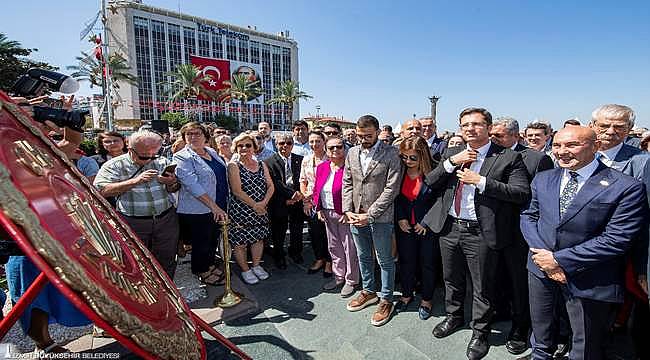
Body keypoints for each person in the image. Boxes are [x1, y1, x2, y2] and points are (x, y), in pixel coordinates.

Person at [521, 126, 647, 360]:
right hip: (540, 270)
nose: (562, 152)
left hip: (589, 276)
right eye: (557, 145)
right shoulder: (544, 178)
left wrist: (558, 260)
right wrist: (543, 257)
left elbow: (617, 239)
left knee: (585, 344)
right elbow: (529, 216)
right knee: (540, 332)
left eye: (571, 145)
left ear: (596, 147)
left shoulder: (626, 187)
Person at [422, 107, 530, 360]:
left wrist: (480, 181)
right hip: (449, 228)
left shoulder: (507, 157)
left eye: (476, 124)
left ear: (489, 128)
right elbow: (430, 182)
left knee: (482, 286)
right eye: (465, 125)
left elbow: (521, 192)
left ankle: (480, 332)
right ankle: (454, 317)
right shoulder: (451, 152)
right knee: (451, 279)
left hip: (480, 232)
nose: (470, 129)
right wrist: (451, 163)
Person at [589, 104, 650, 356]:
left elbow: (646, 216)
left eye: (619, 126)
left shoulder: (642, 162)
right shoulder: (577, 153)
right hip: (580, 248)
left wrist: (643, 266)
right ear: (592, 126)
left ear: (629, 130)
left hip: (622, 251)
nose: (610, 131)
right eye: (604, 125)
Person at [490, 116, 554, 355]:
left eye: (499, 136)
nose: (493, 139)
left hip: (520, 234)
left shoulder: (537, 159)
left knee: (519, 284)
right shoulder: (487, 155)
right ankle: (501, 311)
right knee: (498, 278)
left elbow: (542, 202)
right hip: (492, 230)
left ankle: (520, 328)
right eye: (492, 135)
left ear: (516, 136)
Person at [94, 130, 180, 277]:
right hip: (133, 222)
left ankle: (168, 293)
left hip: (165, 219)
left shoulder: (161, 162)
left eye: (155, 154)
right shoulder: (114, 165)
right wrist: (135, 181)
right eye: (144, 156)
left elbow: (175, 188)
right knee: (136, 261)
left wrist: (171, 183)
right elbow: (100, 190)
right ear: (130, 150)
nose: (150, 159)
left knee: (167, 259)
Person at [343, 115, 403, 327]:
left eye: (367, 136)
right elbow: (347, 181)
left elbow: (392, 188)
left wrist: (370, 214)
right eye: (360, 136)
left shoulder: (392, 153)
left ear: (377, 132)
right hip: (355, 216)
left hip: (381, 217)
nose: (363, 140)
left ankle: (386, 299)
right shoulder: (351, 152)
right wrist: (347, 210)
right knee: (363, 256)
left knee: (385, 260)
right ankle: (368, 291)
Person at [173, 122, 228, 286]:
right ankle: (202, 271)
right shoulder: (182, 157)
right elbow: (192, 184)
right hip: (198, 210)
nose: (193, 137)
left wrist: (219, 205)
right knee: (201, 243)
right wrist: (213, 206)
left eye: (197, 133)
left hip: (219, 204)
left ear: (206, 136)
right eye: (189, 134)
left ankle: (210, 264)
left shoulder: (211, 151)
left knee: (212, 239)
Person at [393, 136, 439, 320]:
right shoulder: (400, 170)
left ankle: (427, 300)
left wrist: (426, 222)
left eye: (413, 158)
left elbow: (441, 201)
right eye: (404, 157)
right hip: (405, 227)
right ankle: (406, 294)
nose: (408, 161)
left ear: (423, 156)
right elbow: (395, 197)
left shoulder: (435, 171)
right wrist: (401, 218)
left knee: (427, 263)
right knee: (406, 262)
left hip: (427, 228)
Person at [313, 136, 359, 297]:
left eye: (339, 146)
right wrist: (318, 209)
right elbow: (317, 190)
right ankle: (338, 276)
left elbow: (356, 192)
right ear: (325, 149)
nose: (335, 150)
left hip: (345, 214)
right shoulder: (322, 167)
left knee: (350, 248)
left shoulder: (351, 167)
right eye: (331, 147)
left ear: (344, 148)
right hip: (327, 213)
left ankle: (351, 280)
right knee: (334, 247)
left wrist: (349, 211)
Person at [227, 133, 274, 284]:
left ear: (254, 147)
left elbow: (270, 185)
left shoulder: (262, 164)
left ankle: (256, 266)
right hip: (242, 210)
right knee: (240, 243)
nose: (244, 148)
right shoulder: (233, 166)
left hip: (261, 209)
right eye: (240, 145)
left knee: (258, 239)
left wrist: (264, 203)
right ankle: (245, 270)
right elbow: (236, 190)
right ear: (235, 148)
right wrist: (256, 205)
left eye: (248, 145)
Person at [265, 133, 305, 269]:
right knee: (278, 231)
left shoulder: (300, 159)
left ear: (293, 145)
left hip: (298, 200)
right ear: (276, 145)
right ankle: (279, 255)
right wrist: (289, 196)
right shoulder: (268, 162)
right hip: (279, 201)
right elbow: (274, 183)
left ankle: (296, 252)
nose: (285, 146)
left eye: (288, 143)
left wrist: (298, 196)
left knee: (297, 229)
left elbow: (303, 179)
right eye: (281, 143)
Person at [300, 131, 332, 277]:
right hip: (311, 203)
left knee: (329, 234)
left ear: (324, 142)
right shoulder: (306, 159)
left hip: (327, 201)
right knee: (315, 233)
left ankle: (330, 262)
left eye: (318, 141)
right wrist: (306, 200)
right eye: (311, 141)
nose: (314, 144)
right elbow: (303, 181)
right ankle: (319, 259)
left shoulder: (331, 158)